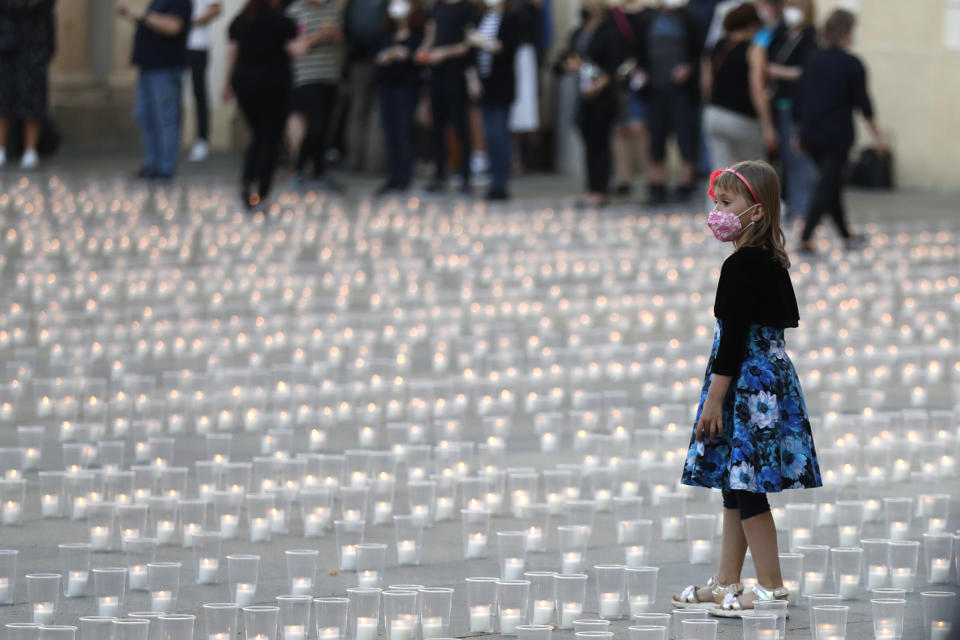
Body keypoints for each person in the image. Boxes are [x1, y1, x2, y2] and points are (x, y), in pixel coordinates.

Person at [675, 160, 820, 614]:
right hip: (769, 380)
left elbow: (734, 338)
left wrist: (715, 399)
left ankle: (772, 586)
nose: (717, 211)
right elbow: (783, 322)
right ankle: (725, 582)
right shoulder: (773, 261)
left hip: (743, 386)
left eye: (727, 202)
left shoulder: (739, 267)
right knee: (735, 485)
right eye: (716, 201)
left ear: (755, 212)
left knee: (748, 487)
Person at [793, 9, 886, 252]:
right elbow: (864, 105)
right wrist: (878, 137)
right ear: (846, 32)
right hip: (836, 135)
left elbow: (801, 98)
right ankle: (806, 235)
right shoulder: (852, 64)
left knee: (830, 185)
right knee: (828, 184)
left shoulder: (812, 59)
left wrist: (799, 132)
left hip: (812, 132)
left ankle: (846, 235)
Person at [223, 0, 300, 208]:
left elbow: (232, 53)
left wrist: (226, 84)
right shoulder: (281, 22)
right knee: (269, 138)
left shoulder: (240, 20)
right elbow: (297, 50)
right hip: (273, 85)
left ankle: (248, 183)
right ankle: (261, 190)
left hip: (245, 85)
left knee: (259, 136)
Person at [117, 0, 193, 181]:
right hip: (148, 67)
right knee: (145, 116)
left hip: (165, 68)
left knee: (165, 118)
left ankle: (165, 168)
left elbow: (174, 26)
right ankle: (152, 165)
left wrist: (142, 16)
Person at [637, 0, 703, 204]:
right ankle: (658, 185)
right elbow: (638, 50)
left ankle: (686, 184)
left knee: (685, 136)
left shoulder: (687, 18)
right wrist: (641, 71)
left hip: (682, 91)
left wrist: (689, 69)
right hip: (655, 89)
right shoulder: (648, 19)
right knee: (656, 137)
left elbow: (699, 52)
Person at [556, 0, 617, 207]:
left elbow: (615, 62)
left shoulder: (609, 31)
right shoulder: (579, 32)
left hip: (602, 95)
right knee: (588, 142)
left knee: (600, 142)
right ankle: (591, 188)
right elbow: (568, 56)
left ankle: (601, 189)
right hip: (582, 95)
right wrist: (568, 64)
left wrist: (600, 84)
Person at [701, 5, 775, 176]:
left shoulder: (716, 48)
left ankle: (716, 203)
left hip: (713, 114)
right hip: (743, 117)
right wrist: (767, 126)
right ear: (752, 26)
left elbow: (706, 85)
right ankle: (759, 203)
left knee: (720, 173)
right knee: (757, 173)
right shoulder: (754, 50)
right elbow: (757, 89)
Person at [416, 0, 479, 194]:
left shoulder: (469, 9)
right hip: (436, 74)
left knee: (461, 127)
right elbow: (431, 35)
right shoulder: (436, 8)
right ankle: (439, 176)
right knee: (438, 127)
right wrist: (424, 51)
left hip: (457, 73)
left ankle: (465, 177)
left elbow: (469, 43)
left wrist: (444, 53)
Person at [285, 0, 345, 191]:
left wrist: (335, 35)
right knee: (315, 125)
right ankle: (300, 170)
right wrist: (319, 36)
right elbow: (294, 49)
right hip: (306, 77)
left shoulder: (330, 10)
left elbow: (340, 41)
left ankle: (319, 172)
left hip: (329, 76)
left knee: (326, 127)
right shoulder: (295, 11)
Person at [765, 0, 816, 219]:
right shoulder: (781, 34)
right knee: (785, 156)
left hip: (796, 103)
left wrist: (779, 72)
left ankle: (801, 205)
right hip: (777, 101)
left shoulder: (810, 38)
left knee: (797, 156)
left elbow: (807, 71)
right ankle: (790, 202)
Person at [470, 0, 521, 201]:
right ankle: (493, 181)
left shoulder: (511, 19)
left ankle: (501, 184)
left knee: (499, 133)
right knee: (489, 135)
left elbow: (509, 48)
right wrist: (473, 80)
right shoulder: (480, 17)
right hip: (483, 86)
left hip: (501, 86)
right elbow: (471, 52)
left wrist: (482, 42)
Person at [374, 0, 425, 194]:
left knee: (404, 132)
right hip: (386, 86)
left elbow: (419, 59)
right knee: (390, 132)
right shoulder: (385, 33)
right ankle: (392, 177)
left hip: (407, 87)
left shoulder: (418, 34)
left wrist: (408, 55)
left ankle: (405, 177)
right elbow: (375, 56)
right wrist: (384, 56)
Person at [0, 0, 56, 170]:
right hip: (6, 51)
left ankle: (30, 150)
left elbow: (48, 23)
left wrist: (44, 52)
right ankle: (2, 148)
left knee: (32, 103)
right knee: (3, 102)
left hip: (34, 51)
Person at [608, 0, 649, 197]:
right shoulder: (613, 14)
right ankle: (624, 179)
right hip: (617, 79)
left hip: (639, 78)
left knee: (639, 128)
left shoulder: (647, 14)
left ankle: (649, 176)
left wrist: (638, 64)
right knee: (619, 130)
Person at [343, 0, 387, 172]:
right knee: (365, 111)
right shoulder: (356, 4)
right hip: (365, 60)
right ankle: (363, 161)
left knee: (366, 112)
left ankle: (367, 161)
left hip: (374, 60)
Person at [185, 0, 222, 163]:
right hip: (175, 45)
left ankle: (202, 139)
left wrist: (188, 23)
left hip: (197, 44)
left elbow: (216, 9)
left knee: (199, 92)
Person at [508, 0, 542, 174]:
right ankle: (515, 158)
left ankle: (529, 157)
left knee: (526, 107)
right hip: (509, 58)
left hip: (524, 57)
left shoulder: (529, 10)